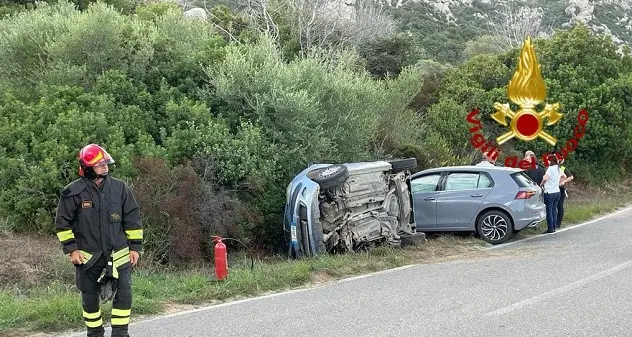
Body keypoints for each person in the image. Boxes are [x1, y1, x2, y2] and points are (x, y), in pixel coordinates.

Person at [55, 144, 143, 337]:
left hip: (118, 253)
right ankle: (94, 333)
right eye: (100, 164)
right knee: (89, 296)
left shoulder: (120, 188)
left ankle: (120, 333)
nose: (105, 167)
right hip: (87, 256)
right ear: (87, 168)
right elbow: (62, 224)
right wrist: (72, 249)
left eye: (106, 163)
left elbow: (133, 220)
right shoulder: (72, 192)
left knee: (124, 293)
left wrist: (135, 248)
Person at [539, 154, 566, 234]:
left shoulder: (550, 169)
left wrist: (541, 184)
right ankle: (554, 227)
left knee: (549, 210)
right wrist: (557, 182)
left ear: (550, 160)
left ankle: (550, 228)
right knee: (554, 209)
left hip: (549, 192)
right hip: (557, 191)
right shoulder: (557, 168)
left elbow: (545, 178)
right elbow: (564, 176)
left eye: (547, 160)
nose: (546, 161)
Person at [557, 157, 574, 228]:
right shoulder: (550, 167)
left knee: (560, 205)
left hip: (560, 188)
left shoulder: (562, 168)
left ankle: (558, 223)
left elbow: (571, 177)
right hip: (553, 188)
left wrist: (563, 181)